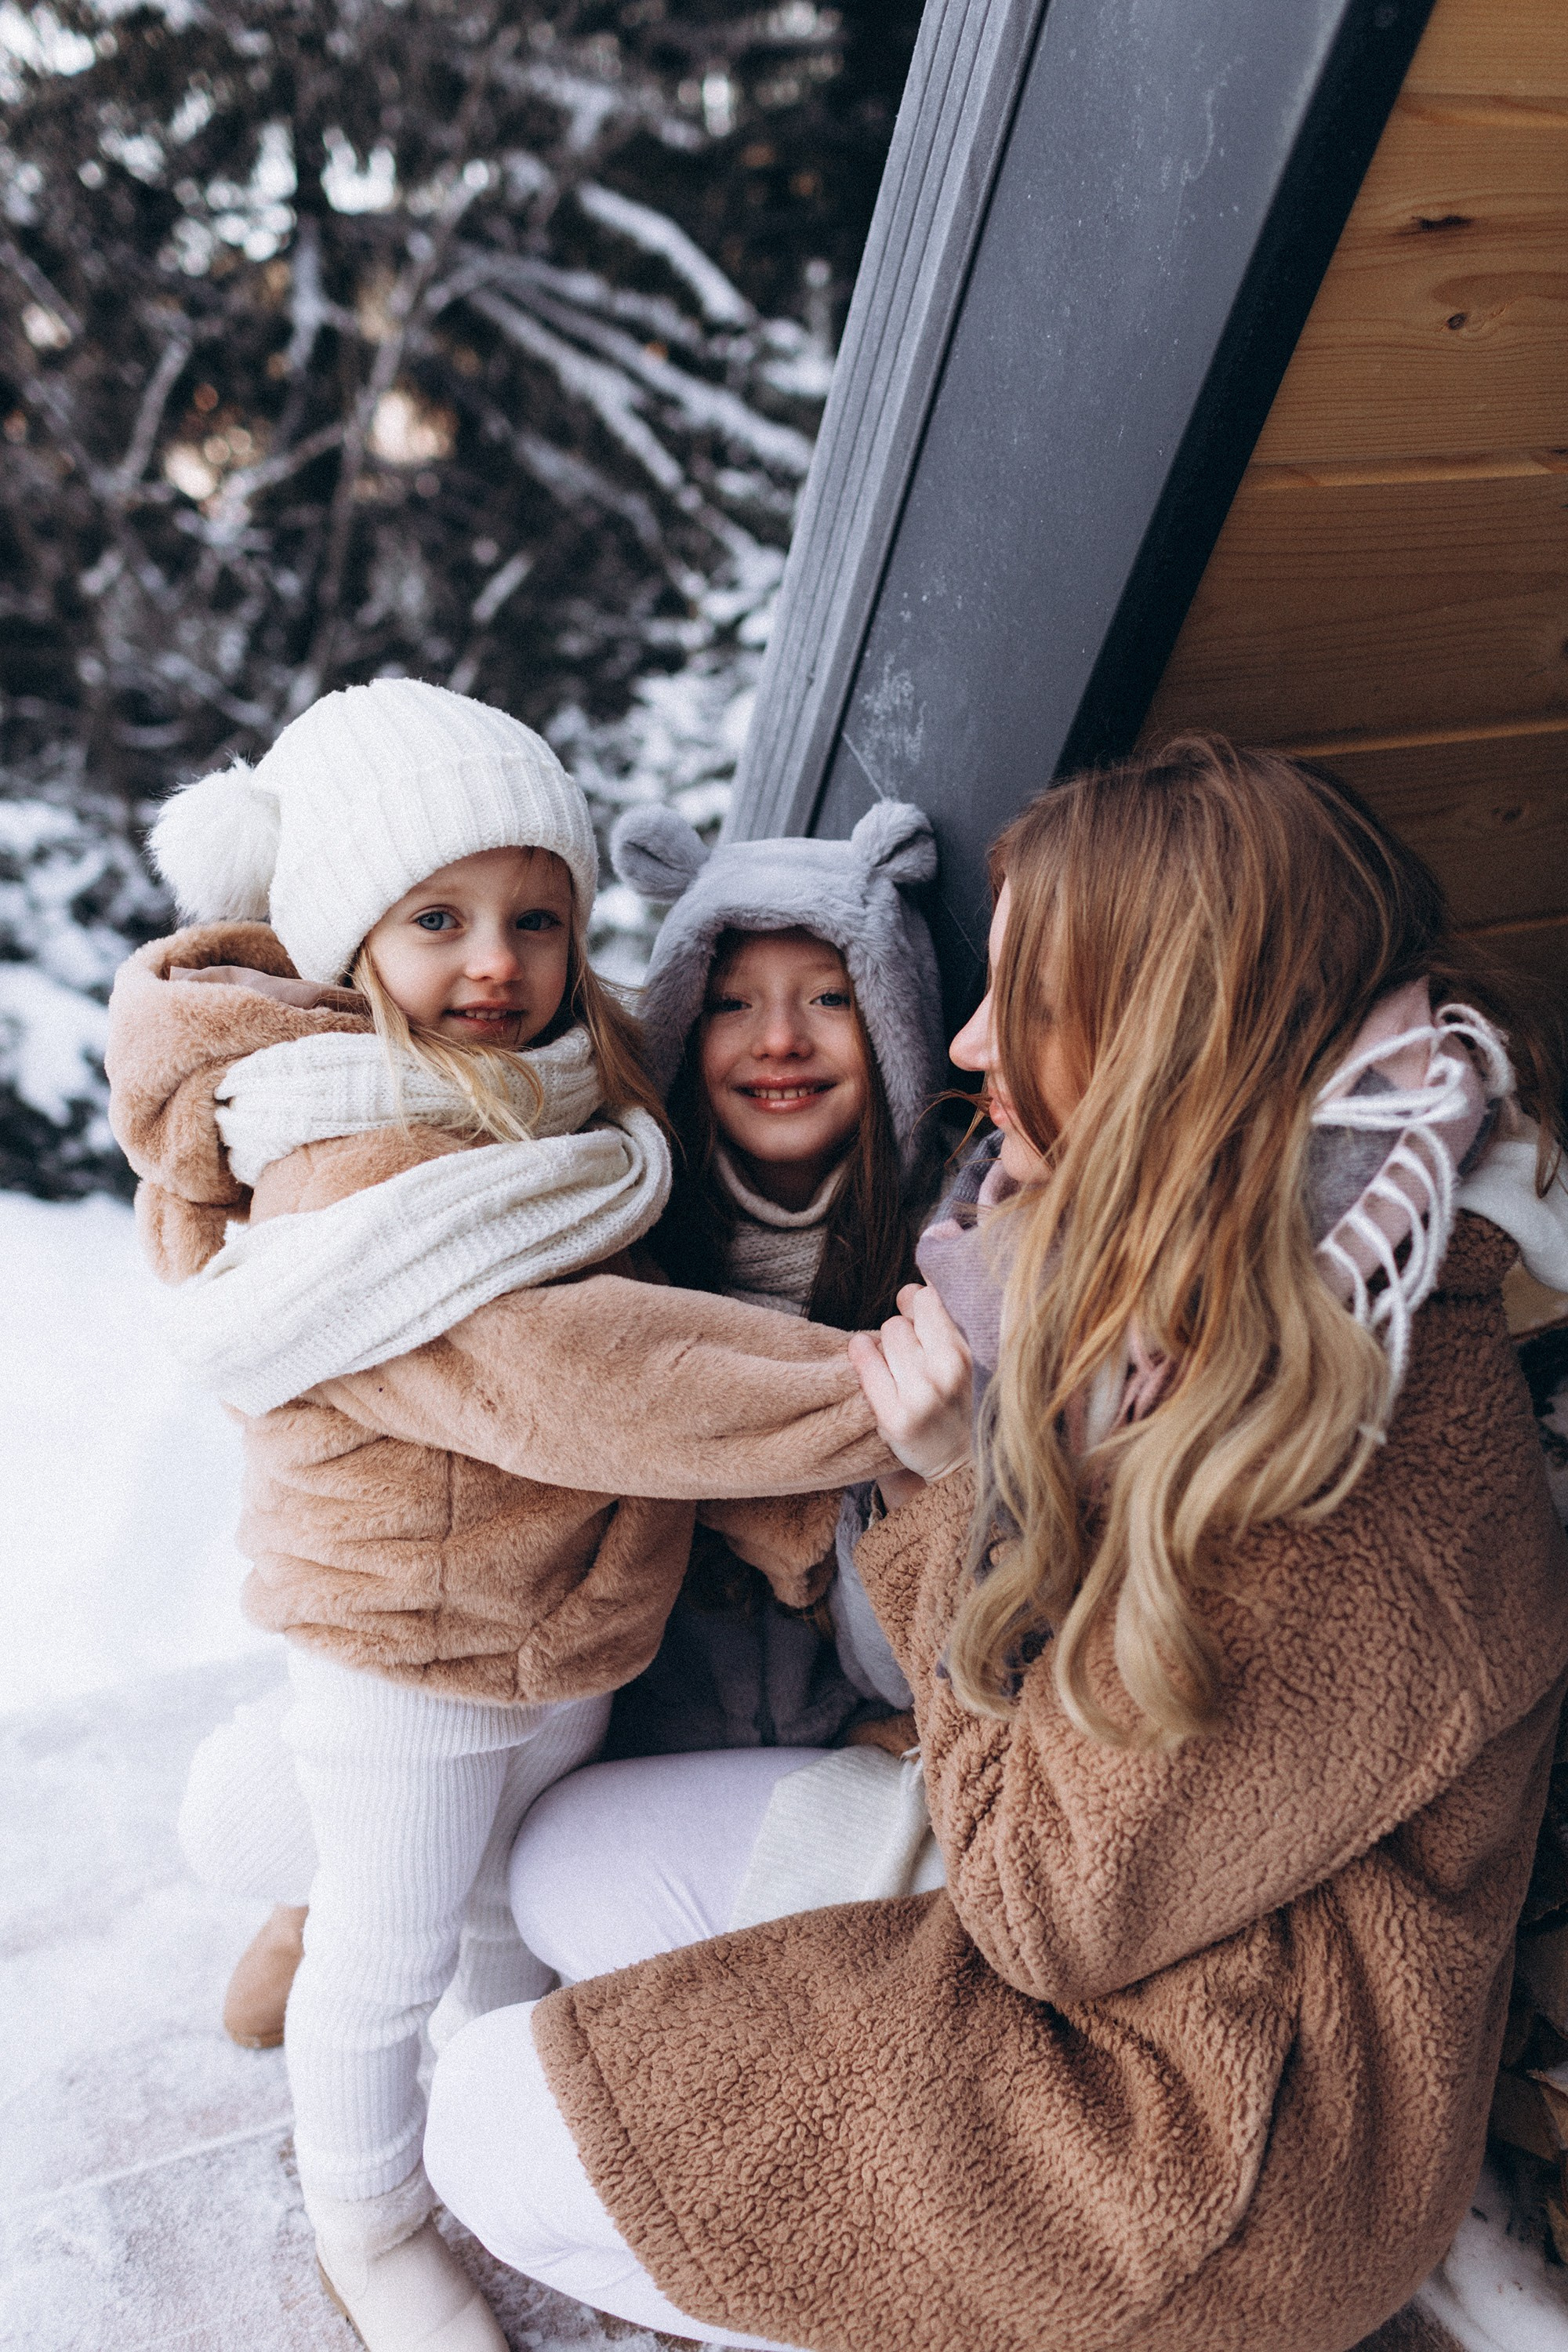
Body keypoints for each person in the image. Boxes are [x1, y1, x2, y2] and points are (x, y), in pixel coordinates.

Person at [423, 737, 1568, 2352]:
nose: (963, 1040)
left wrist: (961, 1488)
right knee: (563, 1864)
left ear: (1162, 1036)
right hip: (1124, 1895)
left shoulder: (1345, 1451)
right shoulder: (1214, 1293)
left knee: (479, 2120)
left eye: (1020, 998)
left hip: (1216, 2135)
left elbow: (1044, 1914)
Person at [107, 681, 903, 2352]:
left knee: (485, 1909)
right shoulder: (348, 1154)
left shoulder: (551, 1108)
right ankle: (370, 2223)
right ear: (345, 941)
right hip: (411, 1634)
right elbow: (577, 1370)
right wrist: (861, 1391)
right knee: (389, 1959)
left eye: (536, 915)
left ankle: (468, 2109)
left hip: (558, 1622)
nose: (497, 960)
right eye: (438, 919)